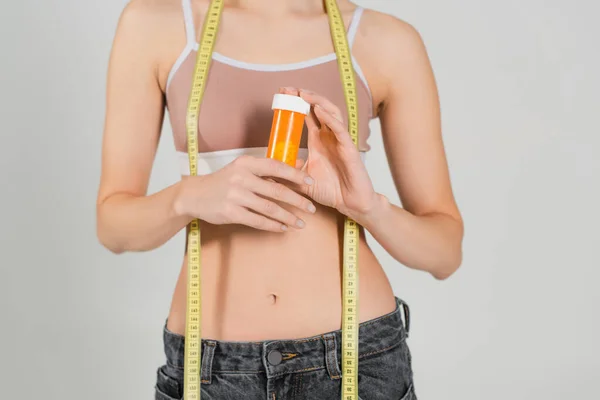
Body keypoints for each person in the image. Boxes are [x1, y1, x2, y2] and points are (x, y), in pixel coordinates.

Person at [96, 0, 464, 398]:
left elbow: (444, 253)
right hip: (209, 371)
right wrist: (188, 196)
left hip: (356, 359)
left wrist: (368, 207)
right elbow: (113, 227)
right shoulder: (157, 26)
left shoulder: (387, 41)